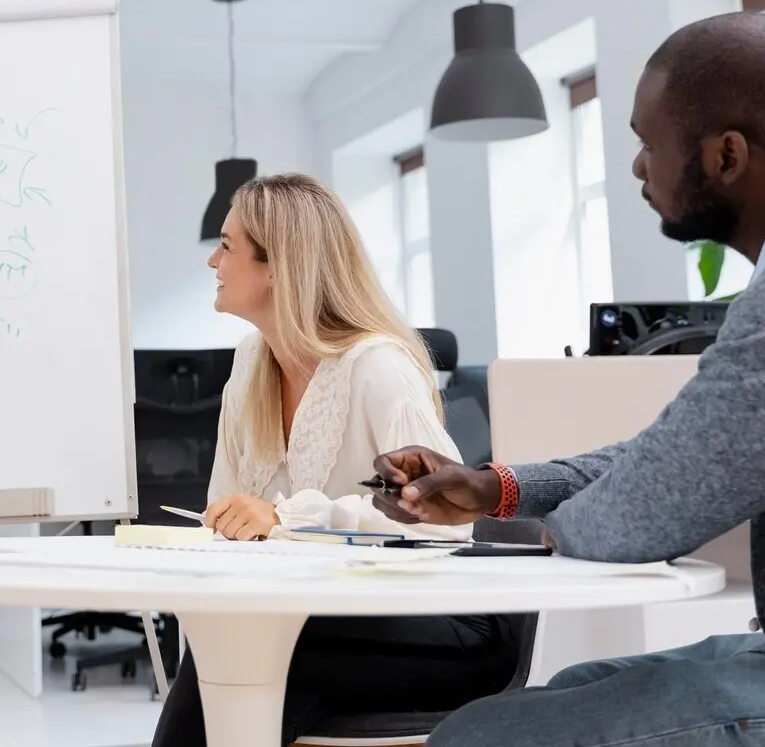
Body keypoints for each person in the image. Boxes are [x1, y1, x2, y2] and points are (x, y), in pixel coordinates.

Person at [372, 11, 765, 746]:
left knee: (481, 739)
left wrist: (513, 534)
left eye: (645, 143)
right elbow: (678, 453)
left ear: (726, 156)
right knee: (564, 692)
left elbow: (651, 507)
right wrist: (495, 488)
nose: (635, 168)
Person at [151, 173, 519, 747]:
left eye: (226, 245)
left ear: (278, 266)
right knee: (239, 656)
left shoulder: (377, 367)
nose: (212, 262)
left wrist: (286, 519)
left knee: (240, 655)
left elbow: (450, 517)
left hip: (447, 626)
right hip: (324, 624)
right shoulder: (249, 366)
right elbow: (222, 512)